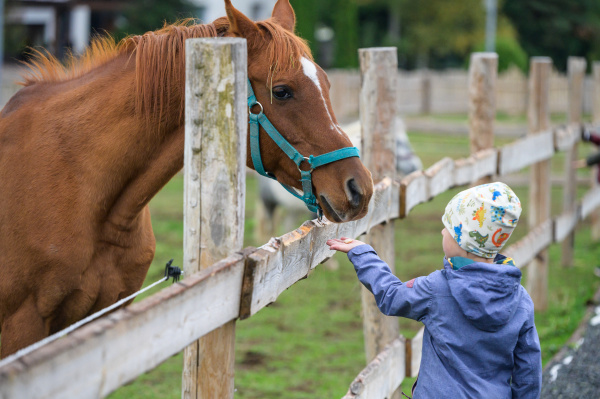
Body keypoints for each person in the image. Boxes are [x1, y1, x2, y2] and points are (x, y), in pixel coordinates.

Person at [327, 182, 542, 398]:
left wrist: (363, 254)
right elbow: (529, 372)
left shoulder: (437, 288)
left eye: (448, 228)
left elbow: (392, 296)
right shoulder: (520, 299)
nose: (441, 231)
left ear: (463, 241)